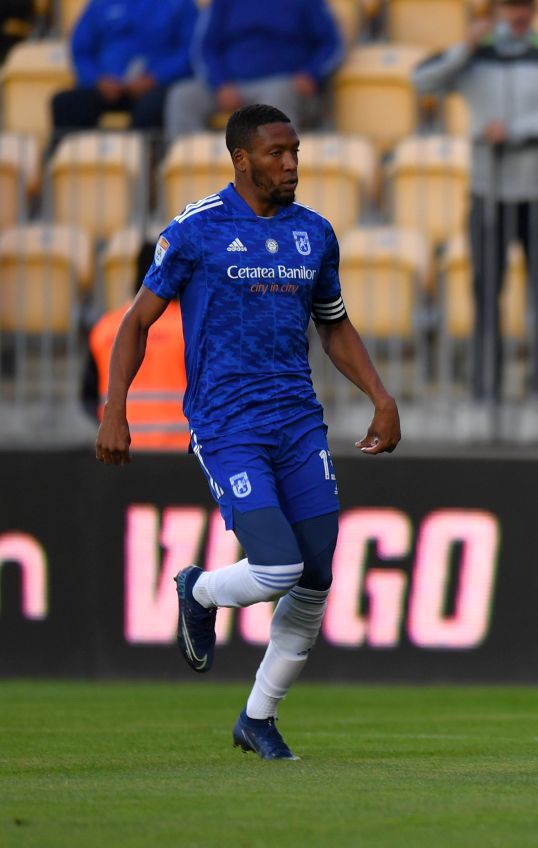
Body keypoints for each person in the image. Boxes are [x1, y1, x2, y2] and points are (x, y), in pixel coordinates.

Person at [95, 104, 401, 760]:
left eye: (295, 152)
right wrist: (113, 408)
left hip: (297, 425)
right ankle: (198, 589)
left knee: (316, 574)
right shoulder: (196, 230)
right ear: (242, 160)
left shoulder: (314, 234)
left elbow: (334, 324)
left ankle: (258, 718)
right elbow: (135, 322)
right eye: (277, 154)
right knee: (279, 566)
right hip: (228, 425)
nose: (291, 164)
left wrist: (379, 395)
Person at [413, 0, 538, 401]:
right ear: (496, 12)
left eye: (525, 7)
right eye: (510, 7)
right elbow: (421, 82)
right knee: (485, 291)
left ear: (535, 12)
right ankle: (486, 385)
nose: (518, 14)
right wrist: (464, 48)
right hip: (490, 192)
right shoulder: (474, 53)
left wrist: (512, 130)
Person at [164, 0, 343, 141]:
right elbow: (205, 48)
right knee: (182, 96)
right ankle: (194, 177)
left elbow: (331, 44)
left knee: (277, 97)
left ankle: (272, 182)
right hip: (231, 85)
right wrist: (220, 85)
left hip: (283, 83)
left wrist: (312, 75)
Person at [86, 240, 189, 451]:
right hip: (179, 454)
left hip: (121, 449)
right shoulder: (188, 327)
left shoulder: (106, 328)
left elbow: (87, 394)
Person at [51, 0, 196, 135]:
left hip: (155, 87)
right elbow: (82, 51)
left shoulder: (180, 4)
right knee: (66, 103)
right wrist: (97, 79)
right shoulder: (101, 4)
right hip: (108, 88)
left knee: (151, 109)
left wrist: (156, 78)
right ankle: (77, 159)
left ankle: (140, 159)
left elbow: (192, 51)